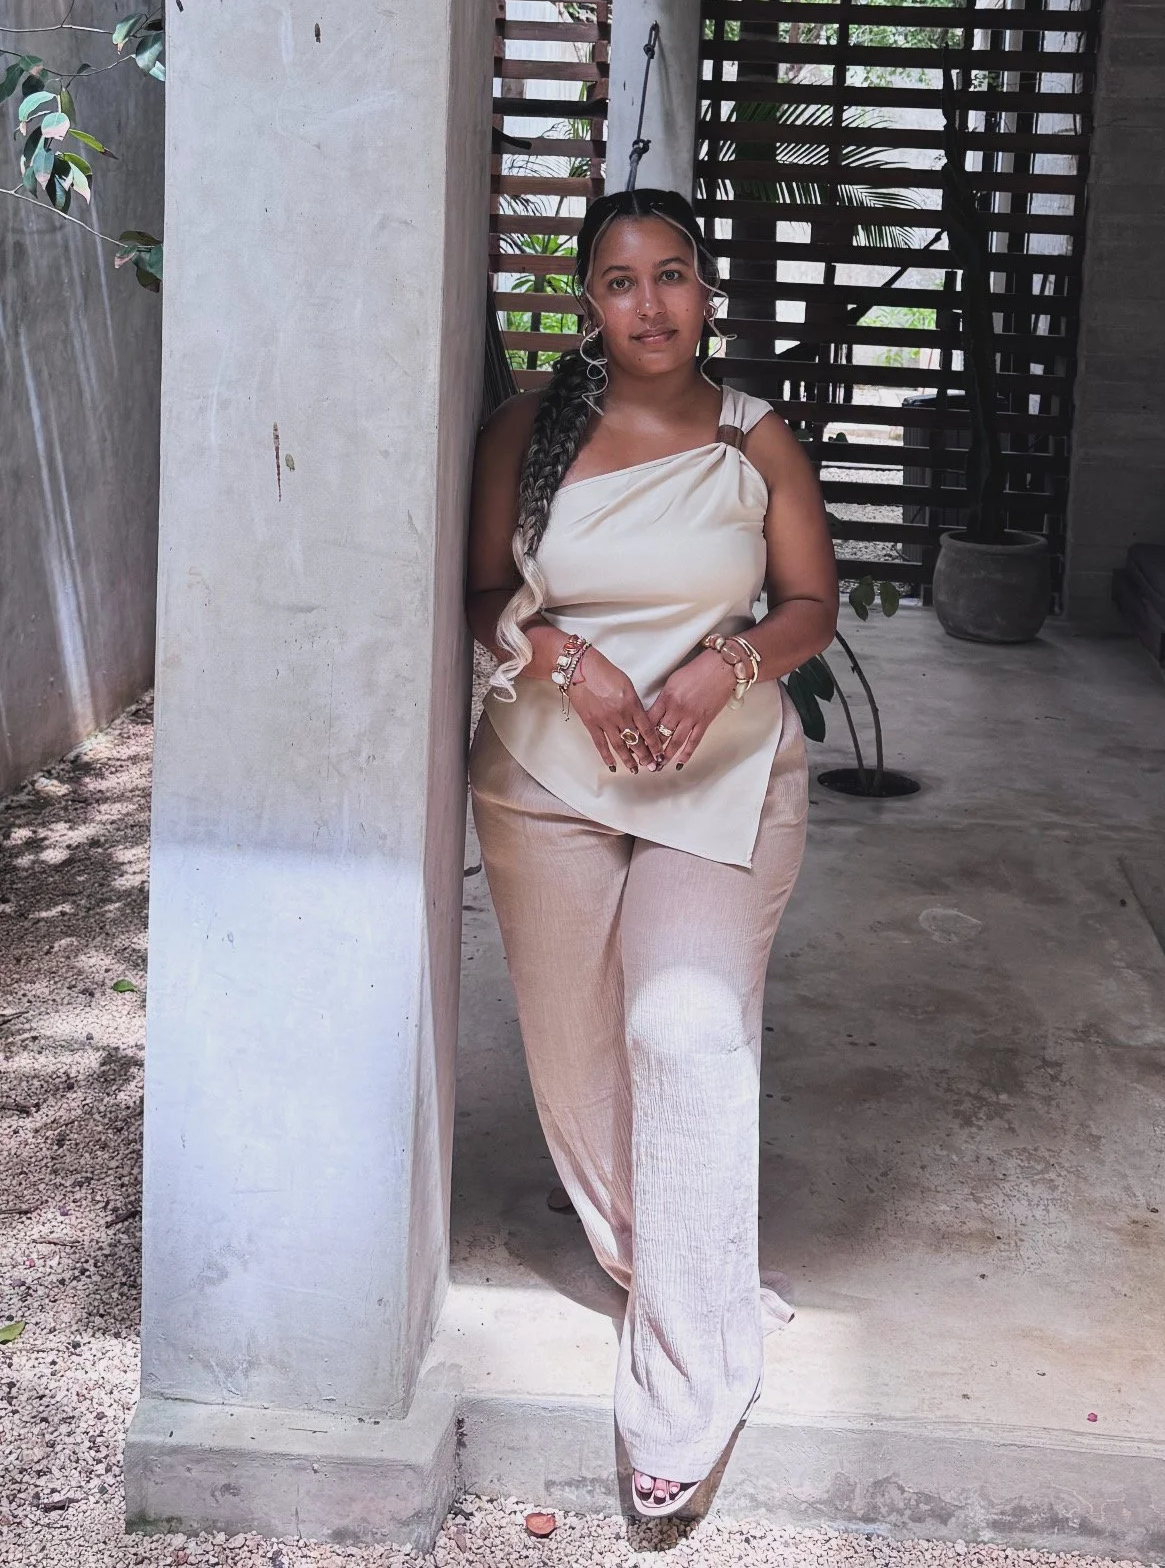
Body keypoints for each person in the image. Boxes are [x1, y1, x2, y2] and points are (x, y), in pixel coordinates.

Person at [465, 187, 837, 1516]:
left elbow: (809, 603)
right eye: (619, 282)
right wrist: (572, 663)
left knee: (680, 1032)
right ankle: (684, 1267)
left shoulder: (753, 440)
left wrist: (724, 664)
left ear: (704, 290)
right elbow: (473, 592)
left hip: (719, 776)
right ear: (587, 303)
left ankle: (686, 1372)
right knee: (575, 1069)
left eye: (670, 275)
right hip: (547, 775)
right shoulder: (529, 430)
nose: (649, 304)